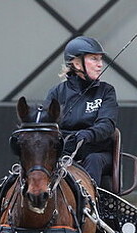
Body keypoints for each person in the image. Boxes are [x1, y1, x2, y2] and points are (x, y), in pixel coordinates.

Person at [45, 36, 118, 188]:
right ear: (77, 63)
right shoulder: (56, 93)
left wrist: (87, 135)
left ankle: (91, 207)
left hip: (96, 153)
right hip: (64, 152)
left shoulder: (106, 91)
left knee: (93, 160)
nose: (100, 65)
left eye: (100, 59)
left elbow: (107, 124)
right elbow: (47, 126)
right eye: (94, 59)